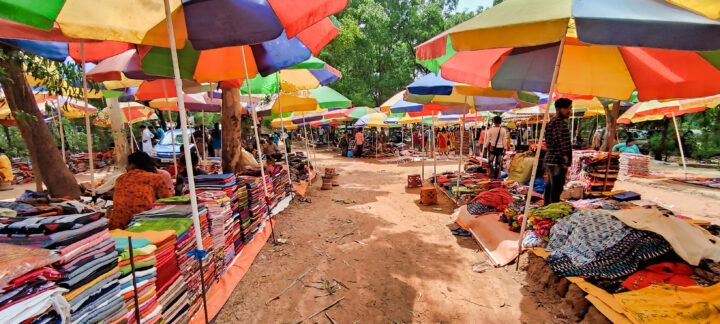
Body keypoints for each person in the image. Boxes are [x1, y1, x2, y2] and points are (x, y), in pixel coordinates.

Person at [110, 152, 172, 229]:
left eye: (127, 164)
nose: (126, 167)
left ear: (132, 165)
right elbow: (167, 201)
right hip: (143, 223)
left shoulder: (120, 178)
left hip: (116, 225)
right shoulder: (155, 178)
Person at [544, 98, 573, 206]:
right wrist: (563, 155)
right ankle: (553, 209)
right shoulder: (558, 122)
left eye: (570, 108)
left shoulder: (554, 122)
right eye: (567, 108)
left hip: (552, 159)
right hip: (556, 160)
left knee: (551, 187)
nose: (569, 111)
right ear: (558, 109)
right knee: (556, 188)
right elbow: (558, 140)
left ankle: (547, 207)